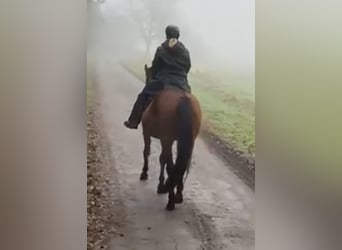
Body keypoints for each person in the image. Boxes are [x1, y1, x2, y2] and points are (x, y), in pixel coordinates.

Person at [124, 25, 192, 129]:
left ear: (166, 34)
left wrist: (154, 75)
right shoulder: (185, 51)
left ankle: (133, 122)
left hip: (162, 82)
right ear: (178, 35)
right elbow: (187, 67)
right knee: (190, 101)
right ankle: (189, 128)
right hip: (181, 83)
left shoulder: (161, 49)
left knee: (143, 96)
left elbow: (155, 67)